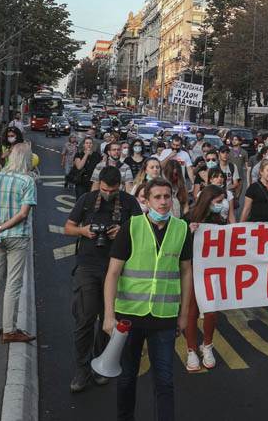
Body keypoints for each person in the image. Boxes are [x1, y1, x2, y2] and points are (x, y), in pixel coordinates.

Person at [103, 177, 193, 421]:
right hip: (129, 316)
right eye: (157, 197)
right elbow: (112, 273)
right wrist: (109, 315)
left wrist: (183, 315)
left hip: (164, 317)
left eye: (167, 196)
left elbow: (186, 272)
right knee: (127, 377)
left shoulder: (181, 229)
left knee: (164, 380)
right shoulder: (131, 227)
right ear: (146, 199)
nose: (163, 202)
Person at [64, 165, 142, 392]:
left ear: (120, 186)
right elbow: (68, 228)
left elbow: (141, 229)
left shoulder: (129, 202)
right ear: (100, 185)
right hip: (88, 266)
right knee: (85, 319)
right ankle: (81, 369)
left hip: (117, 268)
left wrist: (123, 231)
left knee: (109, 322)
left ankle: (101, 363)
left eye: (114, 190)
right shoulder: (87, 200)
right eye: (106, 190)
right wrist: (84, 231)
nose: (109, 194)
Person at [0, 142, 37, 342]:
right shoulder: (27, 181)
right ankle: (9, 330)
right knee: (13, 283)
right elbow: (23, 214)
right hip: (17, 236)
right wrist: (2, 228)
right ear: (26, 160)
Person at [184, 184, 230, 371]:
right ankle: (191, 349)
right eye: (219, 202)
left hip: (213, 272)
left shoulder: (220, 220)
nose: (222, 205)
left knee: (211, 310)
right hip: (193, 271)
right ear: (208, 200)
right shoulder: (188, 218)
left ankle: (207, 345)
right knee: (192, 312)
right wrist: (188, 232)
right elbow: (176, 244)